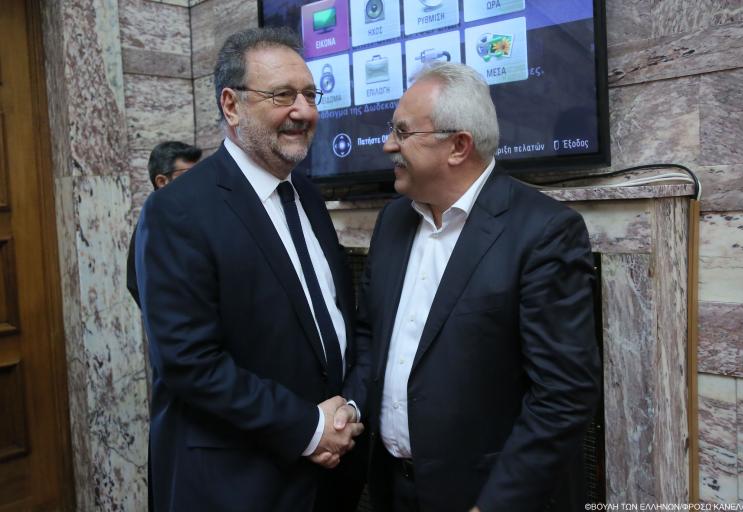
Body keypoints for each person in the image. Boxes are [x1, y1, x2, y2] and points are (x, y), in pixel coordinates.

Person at [135, 27, 368, 512]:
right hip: (238, 483)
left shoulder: (308, 196)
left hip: (328, 477)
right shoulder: (177, 210)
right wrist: (309, 428)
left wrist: (344, 411)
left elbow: (334, 324)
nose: (303, 111)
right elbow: (190, 362)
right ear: (231, 105)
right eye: (282, 95)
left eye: (309, 95)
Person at [357, 62, 601, 512]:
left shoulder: (544, 232)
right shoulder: (392, 220)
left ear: (458, 146)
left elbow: (564, 395)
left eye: (402, 132)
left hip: (486, 494)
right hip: (393, 488)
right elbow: (370, 334)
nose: (388, 144)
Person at [127, 141, 202, 308]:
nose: (198, 183)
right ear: (162, 181)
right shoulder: (152, 226)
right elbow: (137, 285)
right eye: (188, 176)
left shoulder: (193, 216)